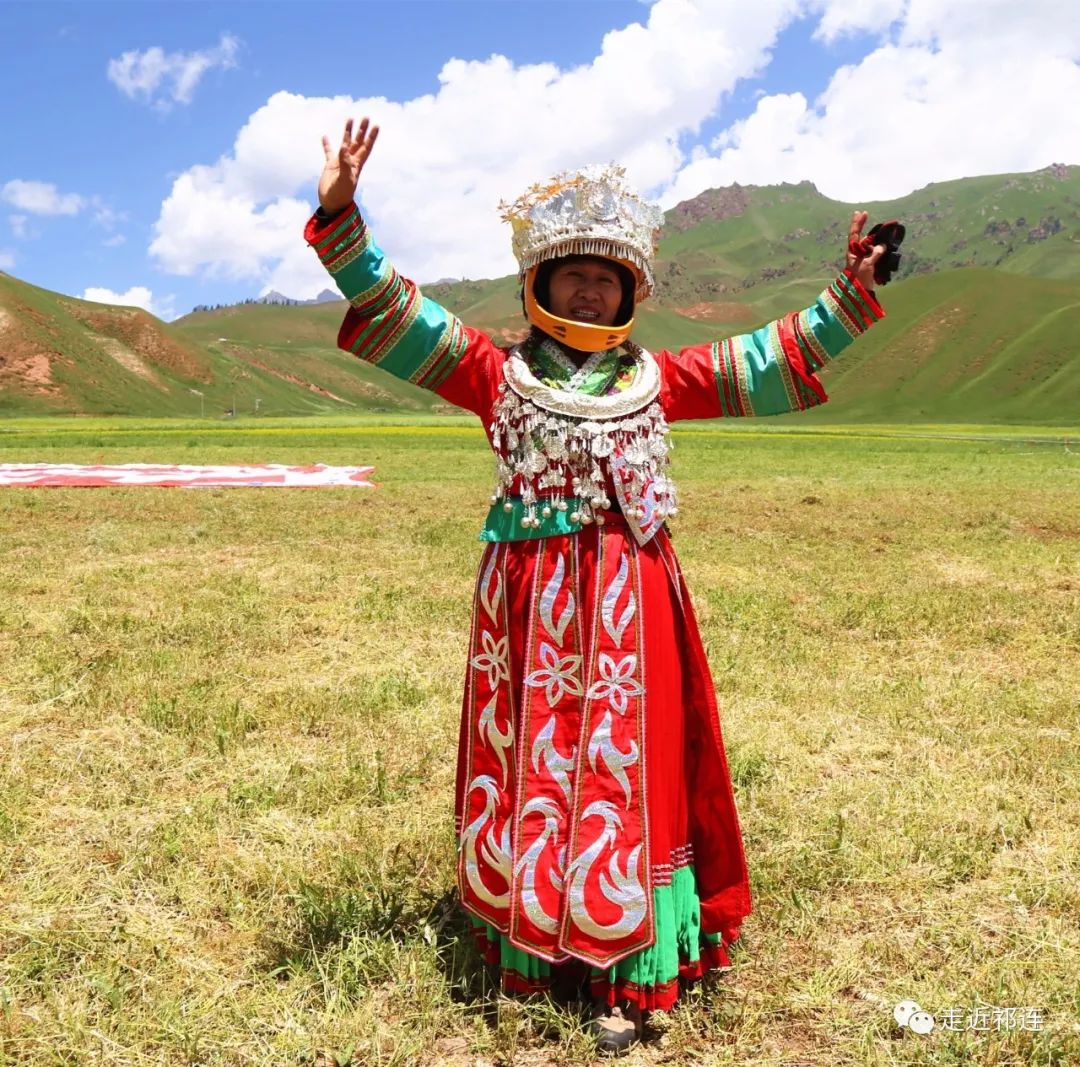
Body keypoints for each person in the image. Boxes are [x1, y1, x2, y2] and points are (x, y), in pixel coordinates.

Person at [306, 117, 887, 1054]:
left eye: (605, 274)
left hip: (634, 605)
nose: (588, 285)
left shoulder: (661, 379)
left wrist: (847, 294)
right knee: (536, 764)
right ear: (539, 286)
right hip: (525, 612)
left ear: (628, 291)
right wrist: (341, 215)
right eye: (573, 271)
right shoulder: (495, 376)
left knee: (631, 770)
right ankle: (534, 947)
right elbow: (395, 309)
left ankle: (628, 966)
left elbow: (769, 356)